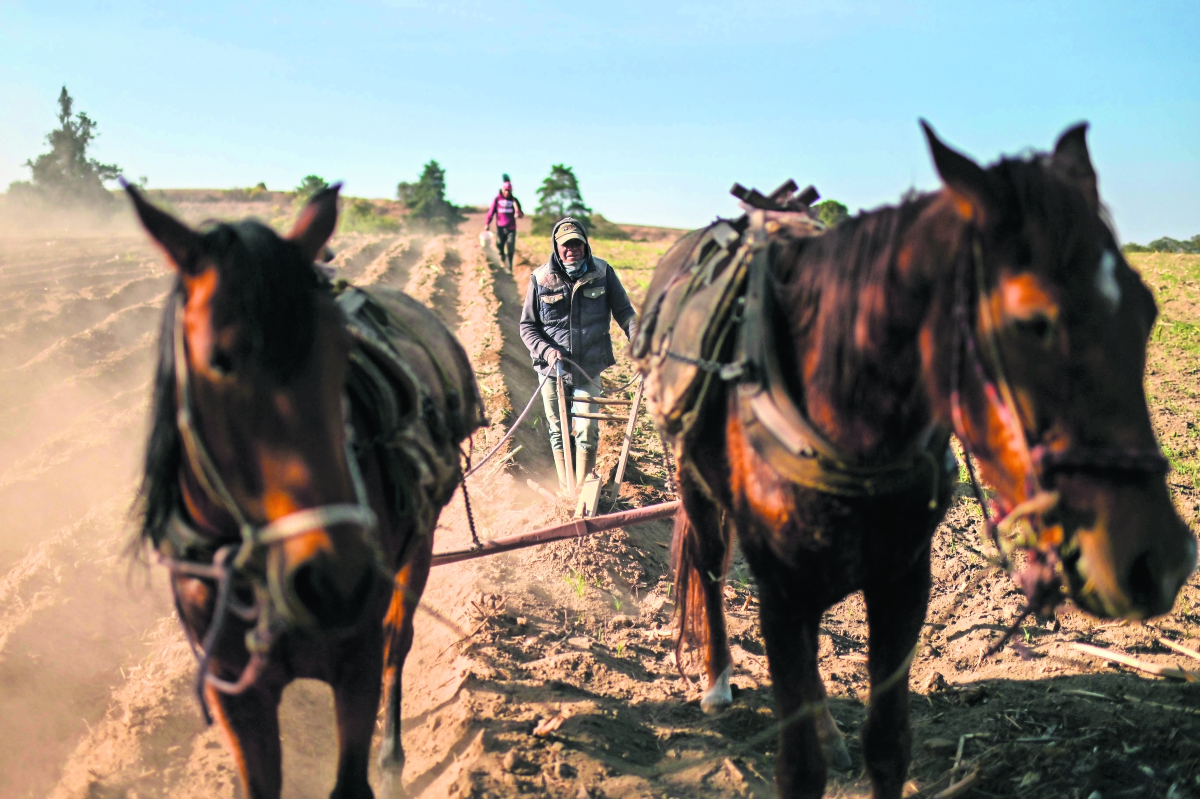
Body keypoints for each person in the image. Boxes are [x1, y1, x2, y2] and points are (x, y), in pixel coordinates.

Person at [519, 217, 638, 491]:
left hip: (589, 366)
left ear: (585, 246)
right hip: (551, 370)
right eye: (566, 245)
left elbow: (625, 313)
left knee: (587, 430)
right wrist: (548, 353)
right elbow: (527, 326)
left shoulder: (603, 272)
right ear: (556, 248)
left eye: (577, 244)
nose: (571, 249)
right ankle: (566, 490)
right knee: (558, 431)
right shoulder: (540, 279)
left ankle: (584, 492)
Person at [484, 175, 524, 270]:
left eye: (509, 191)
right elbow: (491, 212)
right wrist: (487, 223)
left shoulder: (514, 201)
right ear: (502, 190)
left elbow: (521, 214)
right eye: (506, 190)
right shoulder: (497, 200)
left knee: (510, 247)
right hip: (500, 227)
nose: (507, 192)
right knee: (499, 245)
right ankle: (502, 259)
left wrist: (519, 214)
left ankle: (509, 267)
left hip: (511, 228)